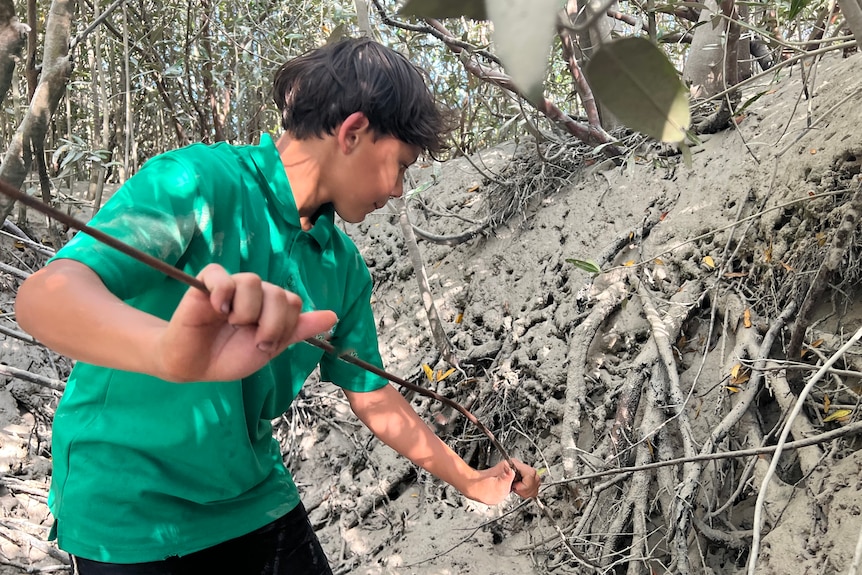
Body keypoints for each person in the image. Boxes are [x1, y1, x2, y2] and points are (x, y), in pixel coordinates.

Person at [14, 37, 540, 574]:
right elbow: (43, 299)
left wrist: (470, 478)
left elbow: (372, 394)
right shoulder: (197, 182)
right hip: (126, 506)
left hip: (248, 494)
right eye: (401, 165)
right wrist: (167, 353)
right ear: (354, 132)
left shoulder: (343, 266)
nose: (402, 189)